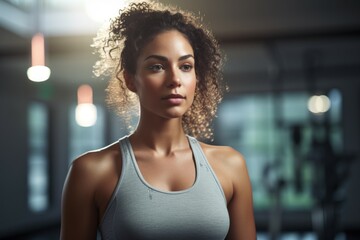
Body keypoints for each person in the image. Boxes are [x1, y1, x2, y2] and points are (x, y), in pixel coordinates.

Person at [60, 1, 256, 239]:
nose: (175, 79)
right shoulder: (91, 172)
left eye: (185, 66)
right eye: (156, 66)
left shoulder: (230, 165)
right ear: (131, 80)